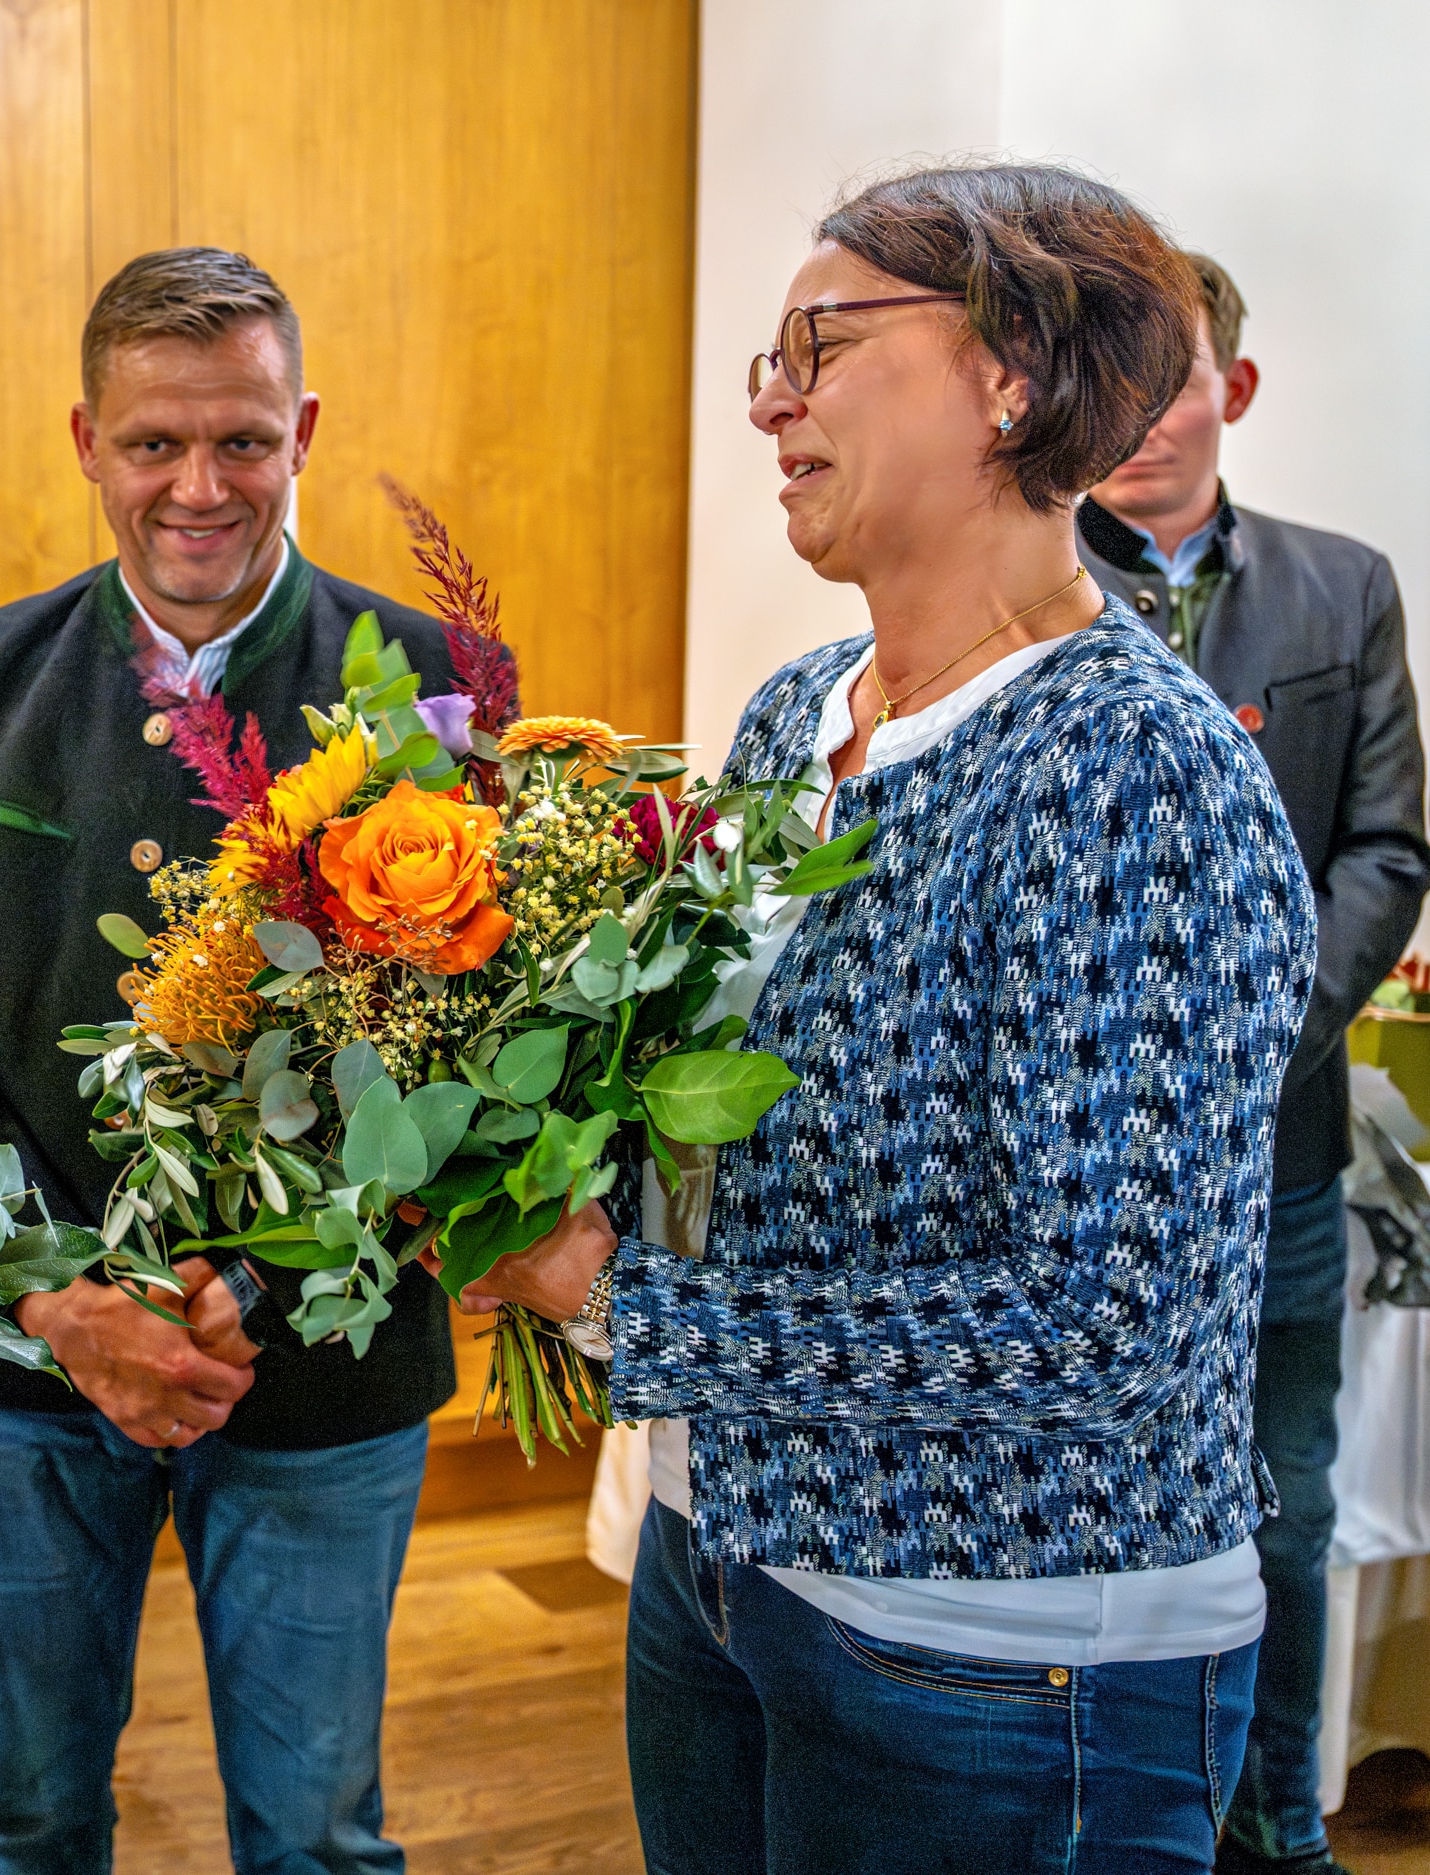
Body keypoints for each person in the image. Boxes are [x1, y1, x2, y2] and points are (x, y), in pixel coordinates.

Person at [442, 165, 1317, 1872]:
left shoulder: (1135, 772)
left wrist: (631, 1307)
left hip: (1000, 1663)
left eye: (817, 343)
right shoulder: (792, 720)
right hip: (730, 1565)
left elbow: (1108, 1328)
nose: (768, 396)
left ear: (1011, 374)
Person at [0, 248, 494, 1874]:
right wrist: (67, 1301)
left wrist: (252, 1293)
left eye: (243, 442)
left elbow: (466, 1063)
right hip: (29, 1364)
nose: (198, 488)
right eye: (155, 446)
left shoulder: (428, 684)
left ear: (304, 431)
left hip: (320, 1378)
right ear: (87, 440)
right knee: (26, 1819)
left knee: (319, 1837)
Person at [1083, 254, 1430, 1875]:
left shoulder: (1343, 585)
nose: (1145, 413)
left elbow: (1385, 847)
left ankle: (1278, 1828)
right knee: (1087, 1496)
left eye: (1178, 374)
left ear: (1237, 388)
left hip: (1277, 1154)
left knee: (1278, 1505)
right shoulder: (1023, 580)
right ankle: (1109, 1813)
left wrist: (1246, 1030)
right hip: (1069, 1166)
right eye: (1117, 373)